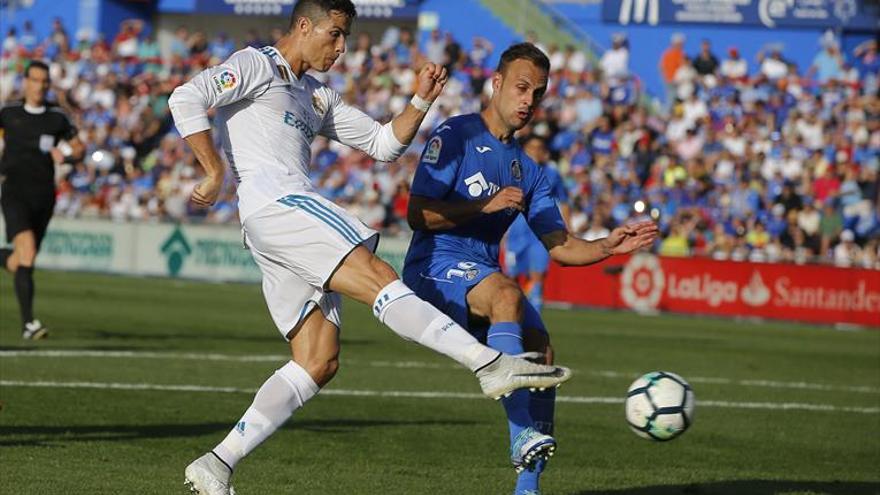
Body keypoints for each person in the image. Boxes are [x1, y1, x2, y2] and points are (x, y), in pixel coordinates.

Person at [167, 2, 572, 493]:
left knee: (318, 358)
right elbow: (186, 97)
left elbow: (383, 144)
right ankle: (488, 364)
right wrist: (212, 170)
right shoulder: (257, 65)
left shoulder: (316, 97)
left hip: (271, 223)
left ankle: (217, 463)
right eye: (334, 35)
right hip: (277, 201)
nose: (341, 48)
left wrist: (419, 102)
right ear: (303, 26)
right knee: (378, 275)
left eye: (345, 38)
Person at [402, 43, 658, 495]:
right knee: (507, 294)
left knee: (541, 349)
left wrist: (607, 247)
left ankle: (528, 488)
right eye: (521, 88)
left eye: (537, 94)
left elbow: (560, 246)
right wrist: (482, 204)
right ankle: (522, 434)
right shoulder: (456, 135)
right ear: (497, 83)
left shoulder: (528, 170)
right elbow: (417, 214)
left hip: (480, 270)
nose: (528, 101)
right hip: (432, 267)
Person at [0, 60, 84, 339]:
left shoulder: (56, 117)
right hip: (13, 191)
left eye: (44, 81)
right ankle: (28, 324)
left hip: (44, 195)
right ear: (25, 82)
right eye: (35, 80)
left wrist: (69, 156)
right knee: (28, 250)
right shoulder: (8, 113)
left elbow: (80, 147)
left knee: (23, 259)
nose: (39, 86)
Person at [503, 135, 569, 313]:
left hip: (540, 233)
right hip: (516, 231)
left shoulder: (552, 173)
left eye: (539, 148)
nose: (535, 151)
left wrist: (567, 228)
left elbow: (564, 200)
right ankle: (512, 313)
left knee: (537, 275)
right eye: (531, 147)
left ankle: (536, 318)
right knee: (511, 278)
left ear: (545, 152)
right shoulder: (514, 169)